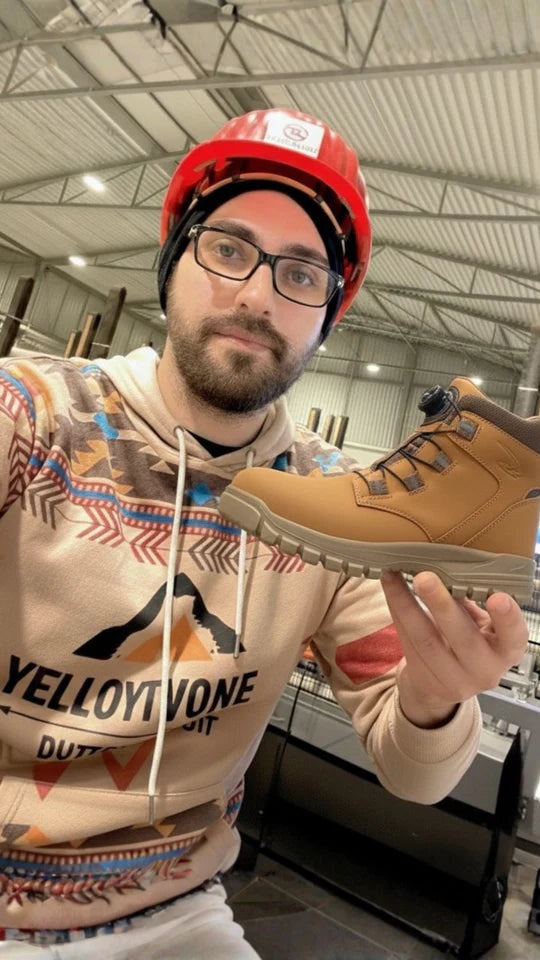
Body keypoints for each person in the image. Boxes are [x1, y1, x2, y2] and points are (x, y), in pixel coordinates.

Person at [0, 109, 528, 958]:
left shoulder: (335, 507)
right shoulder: (28, 415)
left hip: (175, 913)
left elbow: (413, 774)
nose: (256, 296)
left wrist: (436, 700)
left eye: (302, 273)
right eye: (229, 248)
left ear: (329, 312)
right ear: (174, 259)